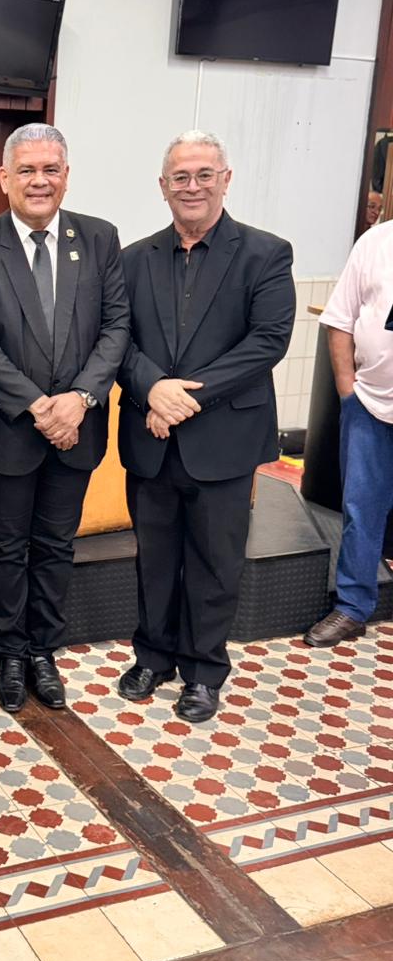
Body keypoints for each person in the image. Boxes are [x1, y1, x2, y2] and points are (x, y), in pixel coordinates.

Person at [117, 130, 295, 723]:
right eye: (180, 177)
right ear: (162, 186)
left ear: (226, 179)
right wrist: (152, 388)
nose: (192, 186)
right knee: (154, 557)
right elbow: (118, 340)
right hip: (150, 437)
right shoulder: (133, 259)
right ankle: (152, 657)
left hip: (223, 439)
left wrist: (181, 398)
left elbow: (266, 342)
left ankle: (202, 671)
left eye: (203, 174)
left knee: (216, 562)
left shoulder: (266, 253)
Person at [0, 123, 130, 713]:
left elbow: (117, 326)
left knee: (55, 546)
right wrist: (37, 405)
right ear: (4, 177)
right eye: (26, 170)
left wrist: (80, 398)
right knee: (5, 548)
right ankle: (8, 652)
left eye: (51, 169)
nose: (39, 180)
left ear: (67, 176)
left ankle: (42, 651)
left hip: (79, 426)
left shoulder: (100, 238)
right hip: (8, 429)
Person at [303, 217, 393, 646]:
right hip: (369, 405)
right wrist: (347, 392)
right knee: (361, 508)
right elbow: (339, 320)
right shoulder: (376, 242)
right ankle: (353, 608)